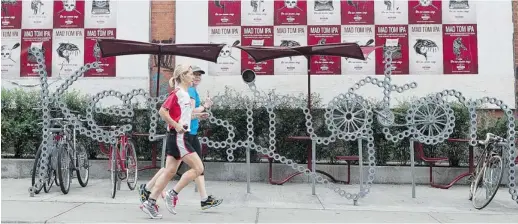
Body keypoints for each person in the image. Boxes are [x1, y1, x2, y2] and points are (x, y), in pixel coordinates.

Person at [138, 66, 222, 211]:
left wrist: (197, 116)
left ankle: (150, 201)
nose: (194, 77)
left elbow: (184, 115)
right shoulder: (179, 93)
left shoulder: (183, 93)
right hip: (179, 137)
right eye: (191, 74)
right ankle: (172, 193)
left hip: (179, 136)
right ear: (183, 76)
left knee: (169, 171)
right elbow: (162, 111)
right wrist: (176, 125)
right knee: (198, 167)